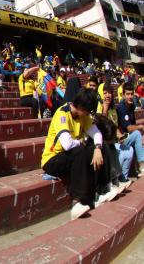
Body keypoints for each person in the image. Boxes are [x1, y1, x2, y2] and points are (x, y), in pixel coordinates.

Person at [41, 88, 104, 220]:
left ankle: (99, 190)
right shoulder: (62, 114)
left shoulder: (83, 116)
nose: (89, 114)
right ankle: (77, 202)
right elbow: (67, 144)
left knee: (94, 149)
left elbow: (97, 133)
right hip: (52, 161)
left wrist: (97, 148)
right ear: (81, 106)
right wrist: (81, 142)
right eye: (88, 111)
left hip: (70, 157)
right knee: (81, 150)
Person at [116, 83, 144, 172]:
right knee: (137, 133)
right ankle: (142, 166)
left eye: (132, 94)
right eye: (128, 94)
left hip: (129, 136)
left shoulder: (131, 105)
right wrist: (140, 127)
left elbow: (133, 123)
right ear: (123, 95)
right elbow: (129, 128)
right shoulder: (121, 107)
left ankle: (139, 166)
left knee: (138, 135)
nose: (130, 96)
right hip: (122, 138)